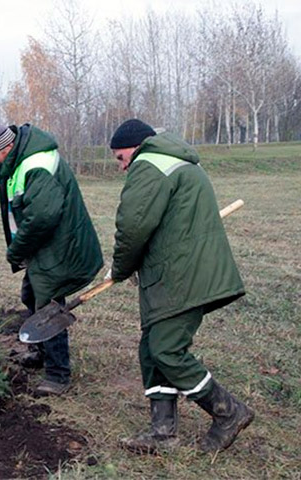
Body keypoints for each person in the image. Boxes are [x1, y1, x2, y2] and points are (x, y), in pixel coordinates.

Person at [106, 118, 254, 453]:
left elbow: (132, 226)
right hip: (181, 270)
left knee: (167, 350)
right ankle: (163, 434)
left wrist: (120, 269)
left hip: (182, 275)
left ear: (135, 146)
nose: (121, 165)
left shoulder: (149, 164)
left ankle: (228, 412)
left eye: (120, 157)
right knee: (152, 351)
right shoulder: (174, 161)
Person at [0, 123, 103, 396]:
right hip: (45, 246)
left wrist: (16, 250)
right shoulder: (22, 158)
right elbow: (18, 183)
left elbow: (42, 216)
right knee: (29, 295)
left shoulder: (37, 163)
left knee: (47, 302)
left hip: (59, 244)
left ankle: (58, 375)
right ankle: (40, 352)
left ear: (8, 147)